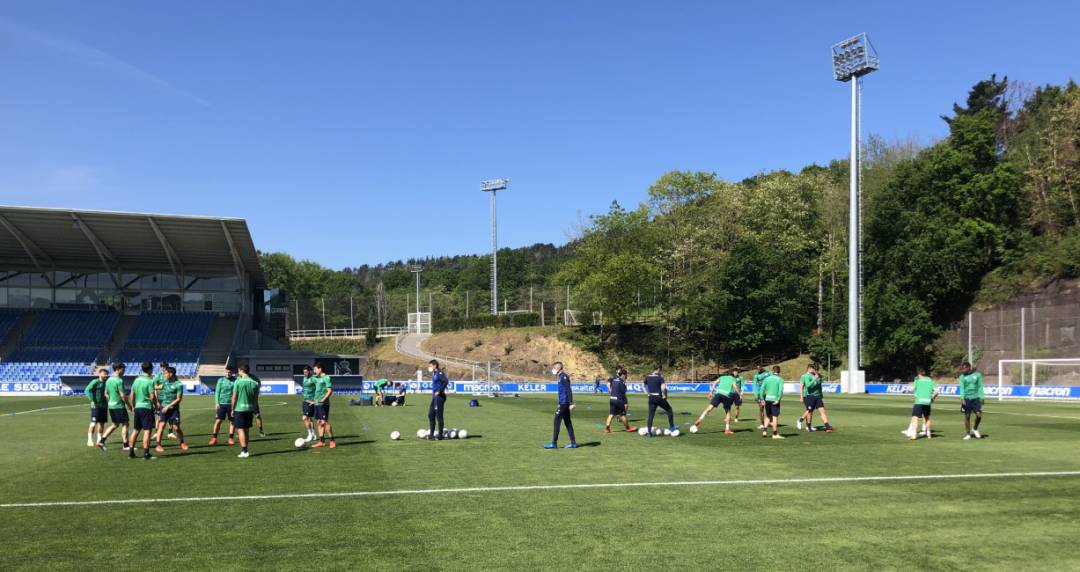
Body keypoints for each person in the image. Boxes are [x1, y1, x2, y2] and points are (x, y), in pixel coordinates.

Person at [694, 368, 740, 434]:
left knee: (709, 408)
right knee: (728, 412)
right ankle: (727, 430)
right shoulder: (733, 379)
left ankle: (700, 419)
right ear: (733, 374)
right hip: (727, 396)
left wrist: (711, 392)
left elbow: (714, 383)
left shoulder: (722, 377)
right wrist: (740, 394)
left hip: (718, 394)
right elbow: (735, 387)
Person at [127, 361, 158, 459]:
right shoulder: (150, 381)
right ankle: (146, 454)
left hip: (138, 407)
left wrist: (133, 406)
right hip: (147, 407)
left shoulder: (136, 380)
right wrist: (156, 405)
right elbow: (152, 396)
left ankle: (131, 452)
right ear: (150, 369)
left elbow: (132, 394)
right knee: (147, 431)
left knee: (136, 430)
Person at [153, 366, 188, 452]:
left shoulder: (178, 384)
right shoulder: (165, 382)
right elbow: (157, 387)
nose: (164, 374)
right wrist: (149, 388)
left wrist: (168, 407)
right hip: (163, 407)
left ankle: (182, 442)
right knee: (162, 425)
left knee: (176, 427)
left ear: (171, 374)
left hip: (173, 409)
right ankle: (158, 445)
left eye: (165, 373)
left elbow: (178, 399)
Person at [544, 361, 577, 449]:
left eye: (554, 368)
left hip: (565, 403)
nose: (553, 370)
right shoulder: (560, 377)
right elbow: (562, 392)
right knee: (568, 422)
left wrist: (571, 403)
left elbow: (568, 390)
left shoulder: (564, 377)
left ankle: (554, 443)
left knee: (556, 421)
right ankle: (573, 443)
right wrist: (559, 403)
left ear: (558, 368)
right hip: (562, 403)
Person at [98, 362, 129, 450]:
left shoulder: (108, 380)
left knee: (115, 424)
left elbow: (106, 394)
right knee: (125, 424)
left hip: (111, 406)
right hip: (119, 406)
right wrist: (129, 405)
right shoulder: (119, 380)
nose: (124, 371)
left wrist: (111, 401)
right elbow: (123, 395)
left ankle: (101, 441)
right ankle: (125, 445)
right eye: (123, 369)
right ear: (118, 369)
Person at [230, 366, 259, 458]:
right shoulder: (254, 383)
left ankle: (244, 451)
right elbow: (255, 400)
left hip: (240, 409)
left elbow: (234, 397)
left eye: (238, 370)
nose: (238, 372)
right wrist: (255, 410)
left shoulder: (238, 382)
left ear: (241, 371)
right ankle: (246, 449)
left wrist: (232, 409)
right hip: (249, 409)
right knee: (246, 430)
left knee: (240, 429)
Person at [904, 367, 938, 440]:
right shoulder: (930, 380)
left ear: (918, 373)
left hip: (919, 401)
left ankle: (914, 434)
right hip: (927, 402)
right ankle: (928, 434)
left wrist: (906, 390)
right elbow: (936, 392)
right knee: (927, 417)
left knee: (915, 417)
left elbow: (912, 389)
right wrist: (932, 399)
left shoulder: (917, 380)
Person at [797, 364, 834, 433]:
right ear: (811, 369)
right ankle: (805, 424)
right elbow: (808, 385)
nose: (816, 371)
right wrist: (801, 397)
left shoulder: (818, 376)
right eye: (815, 369)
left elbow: (820, 387)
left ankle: (827, 426)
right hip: (810, 396)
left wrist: (821, 396)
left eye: (817, 370)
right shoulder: (806, 376)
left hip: (818, 396)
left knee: (822, 411)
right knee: (810, 412)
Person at [643, 365, 676, 436]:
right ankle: (672, 427)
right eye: (660, 369)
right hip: (658, 397)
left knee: (650, 415)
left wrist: (646, 393)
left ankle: (649, 432)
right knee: (669, 410)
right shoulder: (660, 377)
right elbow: (663, 388)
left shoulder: (647, 377)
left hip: (651, 397)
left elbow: (643, 385)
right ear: (658, 369)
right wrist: (666, 396)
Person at [209, 365, 237, 446]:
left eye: (230, 372)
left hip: (231, 404)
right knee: (218, 421)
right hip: (221, 404)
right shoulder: (220, 380)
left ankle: (231, 438)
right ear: (225, 371)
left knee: (232, 421)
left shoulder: (235, 381)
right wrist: (217, 402)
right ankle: (214, 438)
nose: (228, 373)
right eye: (227, 372)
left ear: (232, 372)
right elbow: (217, 392)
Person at [311, 362, 336, 448]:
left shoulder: (326, 378)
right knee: (318, 422)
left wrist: (323, 399)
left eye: (315, 369)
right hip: (317, 403)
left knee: (324, 422)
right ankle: (321, 441)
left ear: (320, 369)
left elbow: (330, 391)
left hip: (324, 404)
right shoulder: (317, 378)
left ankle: (332, 440)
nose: (314, 371)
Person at [603, 367, 636, 433]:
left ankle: (607, 428)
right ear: (623, 375)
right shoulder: (621, 382)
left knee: (611, 414)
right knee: (622, 415)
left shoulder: (614, 380)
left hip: (612, 399)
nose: (627, 376)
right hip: (618, 400)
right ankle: (628, 428)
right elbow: (623, 391)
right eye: (626, 375)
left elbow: (611, 386)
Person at [958, 362, 985, 440]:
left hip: (976, 398)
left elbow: (980, 386)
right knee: (967, 416)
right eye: (962, 369)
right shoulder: (962, 377)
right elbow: (962, 388)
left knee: (979, 415)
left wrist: (982, 397)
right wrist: (962, 398)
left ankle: (975, 429)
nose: (963, 370)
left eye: (964, 368)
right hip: (967, 398)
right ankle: (968, 434)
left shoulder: (977, 375)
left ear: (969, 367)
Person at [85, 366, 109, 448]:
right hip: (95, 406)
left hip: (104, 406)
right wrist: (92, 399)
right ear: (100, 374)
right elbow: (87, 390)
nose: (106, 375)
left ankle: (99, 441)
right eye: (105, 374)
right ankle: (89, 440)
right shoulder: (95, 382)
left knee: (101, 423)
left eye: (107, 374)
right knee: (93, 423)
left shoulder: (107, 382)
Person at [761, 366, 785, 440]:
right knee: (775, 417)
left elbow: (762, 389)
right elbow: (780, 391)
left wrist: (762, 399)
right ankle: (775, 434)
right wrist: (778, 399)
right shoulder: (780, 379)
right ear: (779, 371)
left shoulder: (766, 379)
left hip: (767, 399)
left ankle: (764, 431)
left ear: (772, 371)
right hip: (775, 400)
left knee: (768, 416)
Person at [427, 360, 448, 440]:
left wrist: (439, 391)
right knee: (430, 414)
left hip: (439, 398)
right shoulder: (435, 373)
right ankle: (431, 434)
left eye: (430, 366)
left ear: (435, 365)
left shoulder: (440, 373)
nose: (429, 367)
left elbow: (446, 381)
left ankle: (440, 435)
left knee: (439, 416)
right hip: (434, 398)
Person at [243, 366, 266, 438]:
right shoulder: (240, 378)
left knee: (257, 416)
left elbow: (259, 384)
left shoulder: (254, 377)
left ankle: (261, 431)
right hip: (243, 400)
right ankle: (242, 431)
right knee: (243, 416)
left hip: (253, 401)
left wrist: (256, 393)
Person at [300, 365, 317, 442]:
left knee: (304, 418)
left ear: (310, 371)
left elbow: (319, 388)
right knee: (309, 419)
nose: (305, 373)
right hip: (305, 401)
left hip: (311, 402)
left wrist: (315, 400)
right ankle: (314, 435)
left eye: (306, 372)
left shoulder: (314, 379)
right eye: (304, 372)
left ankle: (309, 434)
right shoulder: (304, 378)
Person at [753, 366, 770, 430]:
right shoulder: (756, 376)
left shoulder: (768, 373)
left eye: (759, 368)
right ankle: (762, 424)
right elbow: (754, 386)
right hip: (761, 394)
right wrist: (756, 396)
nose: (758, 369)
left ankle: (769, 421)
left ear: (762, 368)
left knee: (769, 408)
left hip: (769, 393)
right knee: (761, 409)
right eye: (757, 368)